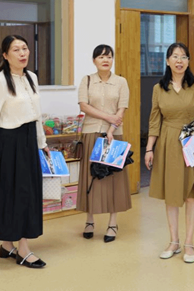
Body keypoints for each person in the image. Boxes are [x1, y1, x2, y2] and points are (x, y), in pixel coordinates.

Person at [0, 34, 49, 269]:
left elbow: (36, 114)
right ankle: (23, 250)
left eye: (25, 48)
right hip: (9, 142)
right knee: (12, 193)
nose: (22, 53)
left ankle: (8, 245)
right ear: (6, 55)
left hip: (29, 140)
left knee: (28, 192)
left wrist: (42, 143)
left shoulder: (32, 77)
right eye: (16, 50)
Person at [145, 42, 194, 264]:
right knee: (172, 194)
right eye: (175, 56)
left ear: (188, 61)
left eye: (184, 57)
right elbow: (154, 120)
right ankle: (173, 241)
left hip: (192, 142)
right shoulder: (159, 88)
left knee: (191, 194)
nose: (179, 61)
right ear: (167, 61)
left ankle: (189, 243)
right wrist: (149, 148)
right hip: (167, 142)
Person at [77, 44, 131, 243]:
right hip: (91, 133)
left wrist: (111, 129)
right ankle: (89, 220)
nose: (105, 60)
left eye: (108, 56)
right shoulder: (87, 80)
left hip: (114, 135)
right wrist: (108, 118)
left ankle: (113, 223)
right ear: (94, 61)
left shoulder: (121, 82)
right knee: (91, 177)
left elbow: (121, 109)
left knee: (113, 179)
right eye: (100, 57)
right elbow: (84, 106)